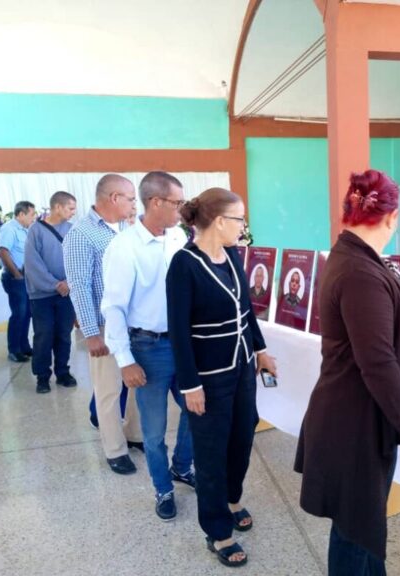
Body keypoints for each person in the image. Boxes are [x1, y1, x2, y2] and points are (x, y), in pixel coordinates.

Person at [294, 170, 400, 576]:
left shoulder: (353, 257)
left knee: (362, 526)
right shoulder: (360, 272)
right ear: (391, 218)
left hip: (356, 415)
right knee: (356, 530)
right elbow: (378, 363)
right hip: (355, 422)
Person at [167, 187, 277, 568]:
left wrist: (260, 350)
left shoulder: (231, 256)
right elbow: (178, 331)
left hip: (243, 367)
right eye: (239, 220)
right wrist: (189, 384)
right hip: (208, 377)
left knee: (242, 436)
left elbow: (246, 311)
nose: (243, 227)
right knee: (211, 453)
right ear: (218, 222)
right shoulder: (183, 264)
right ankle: (218, 531)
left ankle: (232, 498)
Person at [101, 172, 195, 521]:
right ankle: (163, 488)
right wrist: (125, 361)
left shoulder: (178, 236)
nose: (181, 210)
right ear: (155, 203)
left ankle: (182, 467)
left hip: (183, 344)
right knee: (153, 431)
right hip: (148, 347)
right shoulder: (124, 248)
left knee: (195, 409)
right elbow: (113, 307)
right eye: (177, 203)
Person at [63, 173, 143, 475]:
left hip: (133, 323)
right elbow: (79, 285)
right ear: (114, 198)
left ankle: (134, 435)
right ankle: (114, 449)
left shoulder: (125, 228)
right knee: (108, 389)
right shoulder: (81, 234)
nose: (134, 204)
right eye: (131, 198)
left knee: (136, 383)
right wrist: (91, 332)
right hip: (104, 326)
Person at [24, 192, 78, 394]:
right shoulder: (35, 231)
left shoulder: (72, 230)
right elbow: (32, 264)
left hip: (66, 294)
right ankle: (42, 376)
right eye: (70, 208)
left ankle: (63, 372)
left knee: (64, 334)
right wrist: (55, 284)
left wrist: (68, 282)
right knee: (44, 335)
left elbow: (78, 260)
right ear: (57, 207)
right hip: (42, 295)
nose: (74, 212)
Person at [0, 201, 36, 362]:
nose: (34, 217)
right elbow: (3, 252)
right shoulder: (9, 229)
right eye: (31, 214)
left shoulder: (25, 230)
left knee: (26, 313)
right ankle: (14, 350)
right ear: (21, 214)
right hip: (15, 277)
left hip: (25, 277)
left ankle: (24, 346)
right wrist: (16, 274)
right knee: (19, 313)